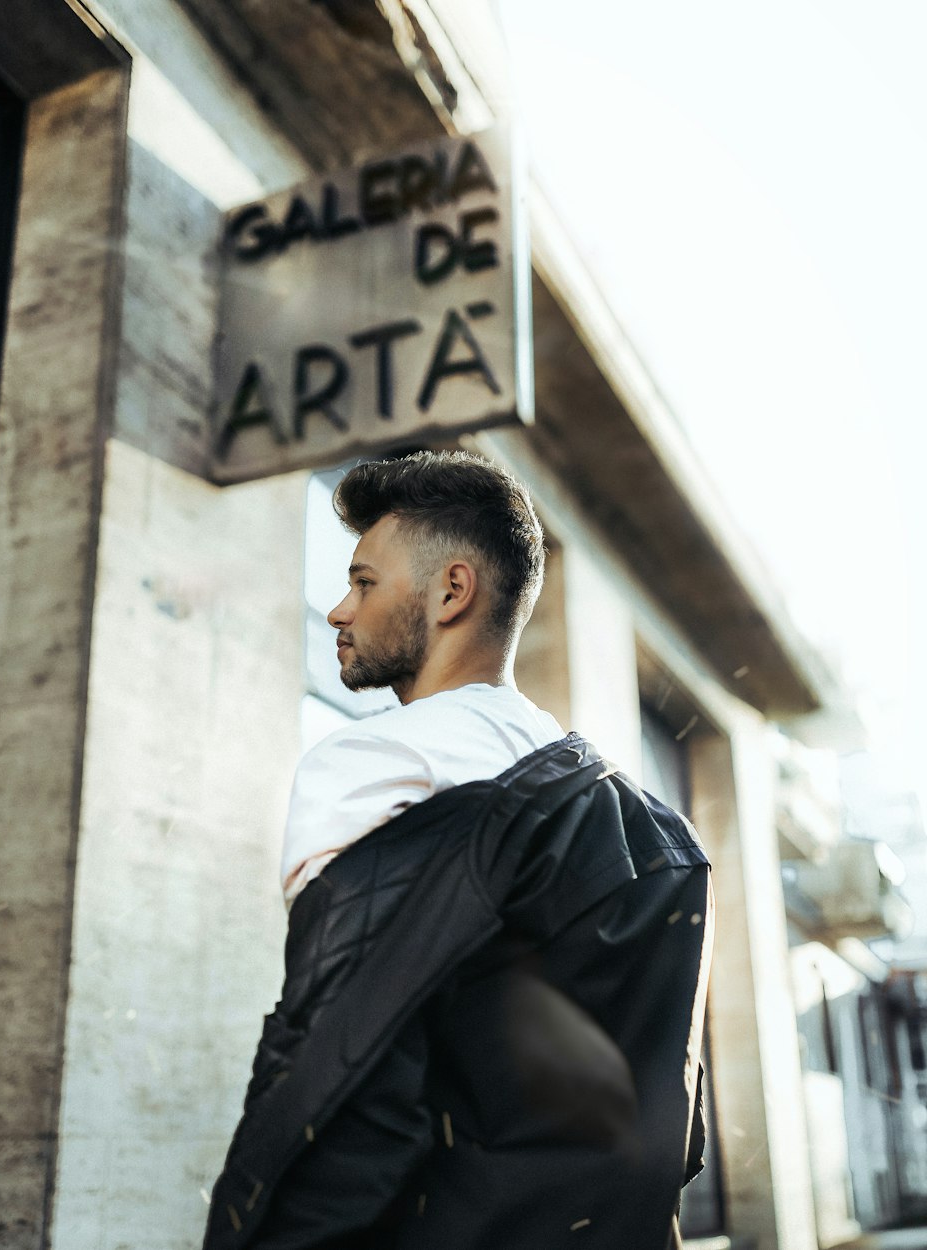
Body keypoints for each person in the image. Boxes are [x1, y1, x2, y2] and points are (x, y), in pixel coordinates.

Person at [203, 450, 713, 1250]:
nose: (339, 609)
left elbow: (337, 1080)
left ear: (452, 590)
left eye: (364, 581)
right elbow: (670, 1124)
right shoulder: (652, 827)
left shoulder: (375, 766)